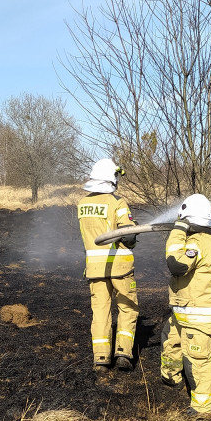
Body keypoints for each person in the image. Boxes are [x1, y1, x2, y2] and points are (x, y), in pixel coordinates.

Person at [161, 194, 211, 413]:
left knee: (197, 360)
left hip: (198, 315)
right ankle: (171, 377)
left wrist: (177, 231)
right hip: (187, 311)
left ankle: (203, 407)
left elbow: (176, 265)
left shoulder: (198, 243)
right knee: (170, 338)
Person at [77, 158, 139, 372]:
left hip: (95, 269)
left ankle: (101, 358)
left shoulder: (82, 204)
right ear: (112, 178)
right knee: (127, 308)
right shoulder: (117, 203)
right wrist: (135, 229)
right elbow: (128, 237)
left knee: (101, 312)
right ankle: (123, 352)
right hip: (119, 267)